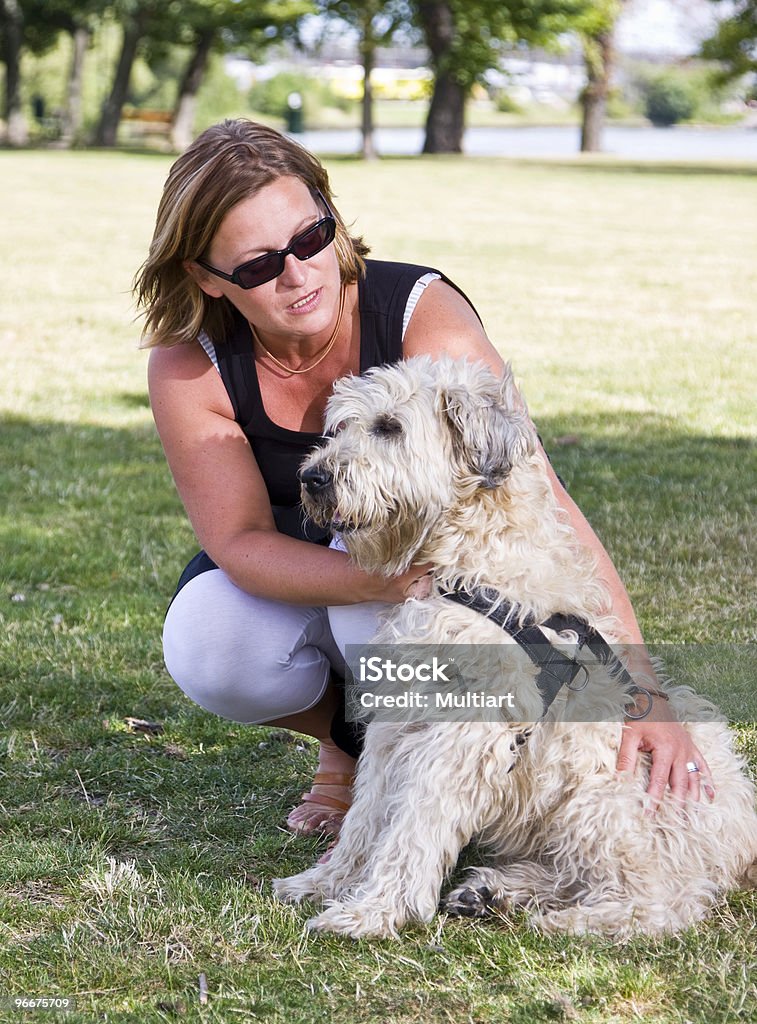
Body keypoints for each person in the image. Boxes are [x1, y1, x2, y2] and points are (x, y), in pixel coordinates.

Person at [134, 118, 713, 837]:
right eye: (256, 266)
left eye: (311, 238)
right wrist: (376, 582)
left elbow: (543, 504)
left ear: (332, 217)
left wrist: (643, 694)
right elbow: (238, 539)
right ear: (205, 278)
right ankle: (345, 744)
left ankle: (431, 779)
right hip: (298, 566)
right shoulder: (189, 363)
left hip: (436, 571)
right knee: (210, 642)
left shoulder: (422, 316)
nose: (296, 274)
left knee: (386, 594)